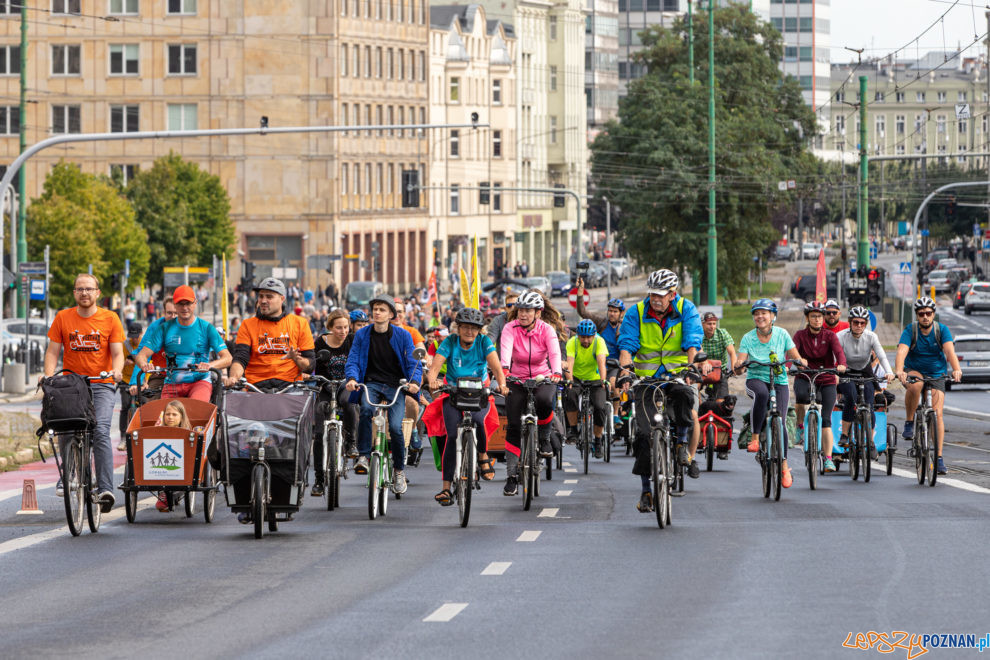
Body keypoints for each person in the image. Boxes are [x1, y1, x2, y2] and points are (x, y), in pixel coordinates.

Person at [618, 269, 705, 513]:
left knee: (686, 396)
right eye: (652, 294)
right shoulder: (635, 312)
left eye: (661, 295)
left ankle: (682, 445)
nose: (655, 299)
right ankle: (646, 490)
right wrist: (625, 372)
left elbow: (692, 342)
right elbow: (626, 344)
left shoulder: (686, 309)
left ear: (672, 294)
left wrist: (690, 368)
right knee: (645, 435)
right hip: (646, 379)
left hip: (677, 374)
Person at [44, 273, 124, 511]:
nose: (85, 293)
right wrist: (48, 376)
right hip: (71, 384)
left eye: (89, 289)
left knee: (99, 430)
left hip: (102, 382)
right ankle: (68, 473)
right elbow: (52, 352)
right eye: (80, 289)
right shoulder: (62, 317)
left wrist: (117, 372)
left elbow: (118, 353)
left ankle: (105, 488)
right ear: (74, 293)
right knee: (66, 426)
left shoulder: (110, 318)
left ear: (98, 293)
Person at [425, 307, 506, 505]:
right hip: (454, 393)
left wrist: (502, 384)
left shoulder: (484, 342)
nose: (469, 332)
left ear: (479, 330)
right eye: (465, 328)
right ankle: (446, 488)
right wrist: (433, 381)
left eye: (474, 328)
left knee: (478, 421)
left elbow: (496, 367)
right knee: (452, 435)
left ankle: (483, 456)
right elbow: (434, 368)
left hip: (479, 393)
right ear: (458, 328)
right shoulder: (450, 342)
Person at [344, 296, 422, 494]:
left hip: (396, 385)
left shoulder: (403, 335)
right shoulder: (362, 335)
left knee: (396, 428)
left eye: (382, 309)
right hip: (371, 383)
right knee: (366, 411)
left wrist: (414, 382)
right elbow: (352, 359)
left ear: (391, 315)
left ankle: (399, 471)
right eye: (375, 309)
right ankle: (363, 456)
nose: (377, 312)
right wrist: (352, 378)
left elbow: (414, 363)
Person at [733, 298, 805, 489]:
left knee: (780, 421)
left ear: (773, 316)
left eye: (764, 313)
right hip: (755, 378)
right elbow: (740, 364)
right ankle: (755, 438)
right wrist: (739, 366)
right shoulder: (748, 337)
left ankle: (784, 467)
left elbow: (795, 356)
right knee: (762, 395)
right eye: (756, 313)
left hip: (779, 380)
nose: (760, 316)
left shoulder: (782, 334)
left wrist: (800, 362)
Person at [500, 290, 563, 496]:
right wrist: (505, 370)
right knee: (514, 425)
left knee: (545, 400)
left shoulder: (547, 330)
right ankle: (511, 476)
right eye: (520, 310)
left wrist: (556, 372)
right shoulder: (510, 328)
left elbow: (554, 352)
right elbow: (506, 350)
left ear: (538, 312)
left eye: (528, 310)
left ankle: (544, 438)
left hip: (541, 377)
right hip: (516, 378)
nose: (523, 314)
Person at [894, 297, 962, 475]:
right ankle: (909, 422)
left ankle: (938, 458)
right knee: (916, 386)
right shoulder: (911, 330)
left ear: (933, 315)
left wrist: (956, 369)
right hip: (914, 370)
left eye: (929, 313)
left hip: (937, 373)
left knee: (938, 414)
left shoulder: (942, 330)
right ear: (917, 315)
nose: (925, 317)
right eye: (921, 314)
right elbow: (902, 350)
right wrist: (900, 370)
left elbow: (949, 351)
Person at [135, 285, 231, 402]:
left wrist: (210, 366)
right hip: (172, 383)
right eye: (181, 304)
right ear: (175, 305)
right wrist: (144, 365)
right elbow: (141, 355)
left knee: (195, 411)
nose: (185, 307)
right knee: (166, 416)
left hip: (199, 382)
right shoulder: (164, 329)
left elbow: (227, 358)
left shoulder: (207, 328)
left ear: (195, 303)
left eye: (188, 303)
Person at [224, 278, 315, 390]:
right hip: (256, 385)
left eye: (269, 297)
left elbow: (310, 365)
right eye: (261, 296)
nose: (263, 300)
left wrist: (297, 359)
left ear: (282, 299)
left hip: (289, 385)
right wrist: (233, 377)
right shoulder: (247, 325)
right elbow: (240, 358)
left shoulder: (300, 323)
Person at [792, 301, 847, 473]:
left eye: (820, 316)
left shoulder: (830, 336)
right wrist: (791, 364)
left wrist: (841, 364)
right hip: (806, 376)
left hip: (827, 377)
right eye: (813, 316)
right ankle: (801, 426)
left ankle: (829, 459)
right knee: (801, 396)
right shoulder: (800, 335)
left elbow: (839, 352)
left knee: (827, 420)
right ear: (807, 318)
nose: (817, 320)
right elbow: (791, 351)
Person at [311, 309, 359, 495]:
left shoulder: (352, 340)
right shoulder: (320, 342)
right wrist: (308, 372)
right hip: (325, 386)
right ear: (329, 327)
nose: (343, 331)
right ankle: (319, 480)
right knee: (319, 431)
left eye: (346, 327)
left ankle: (351, 442)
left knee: (349, 402)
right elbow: (311, 363)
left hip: (345, 385)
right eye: (339, 327)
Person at [835, 305, 894, 455]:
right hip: (846, 371)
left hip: (864, 371)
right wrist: (836, 370)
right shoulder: (841, 336)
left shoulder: (871, 337)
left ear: (866, 324)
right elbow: (834, 356)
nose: (859, 326)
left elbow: (881, 355)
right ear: (850, 322)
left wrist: (889, 372)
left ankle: (871, 441)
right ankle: (845, 434)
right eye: (855, 322)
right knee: (850, 397)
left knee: (869, 403)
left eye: (862, 323)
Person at [563, 319, 609, 458]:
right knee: (570, 393)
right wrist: (570, 381)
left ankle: (598, 440)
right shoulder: (572, 342)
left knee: (600, 407)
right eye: (583, 337)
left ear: (594, 335)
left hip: (595, 378)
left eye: (589, 337)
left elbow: (601, 361)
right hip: (576, 376)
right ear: (578, 335)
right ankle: (573, 429)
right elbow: (569, 363)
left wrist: (603, 380)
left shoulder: (599, 342)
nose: (586, 340)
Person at [153, 400, 192, 511]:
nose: (170, 417)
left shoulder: (187, 432)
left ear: (181, 417)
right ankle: (163, 493)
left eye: (174, 415)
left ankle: (169, 494)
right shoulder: (158, 430)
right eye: (167, 414)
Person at [700, 311, 736, 404]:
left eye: (714, 324)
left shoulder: (722, 333)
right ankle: (699, 412)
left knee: (722, 402)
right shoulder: (698, 335)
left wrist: (734, 366)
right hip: (702, 370)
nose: (712, 327)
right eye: (709, 324)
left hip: (720, 371)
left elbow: (732, 352)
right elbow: (697, 350)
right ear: (702, 324)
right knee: (694, 394)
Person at [118, 322, 144, 450]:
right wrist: (124, 363)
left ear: (141, 333)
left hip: (141, 379)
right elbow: (117, 362)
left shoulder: (145, 344)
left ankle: (143, 434)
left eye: (136, 336)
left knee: (144, 406)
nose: (134, 339)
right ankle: (123, 437)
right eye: (132, 336)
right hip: (126, 380)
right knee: (125, 406)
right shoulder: (124, 345)